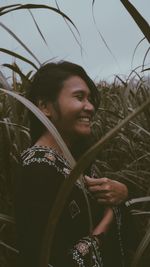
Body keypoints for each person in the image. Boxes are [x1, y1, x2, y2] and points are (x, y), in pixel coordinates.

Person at [15, 61, 129, 267]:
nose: (91, 107)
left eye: (90, 99)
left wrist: (121, 192)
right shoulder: (36, 171)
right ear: (44, 107)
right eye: (79, 97)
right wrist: (109, 218)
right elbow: (44, 260)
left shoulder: (75, 158)